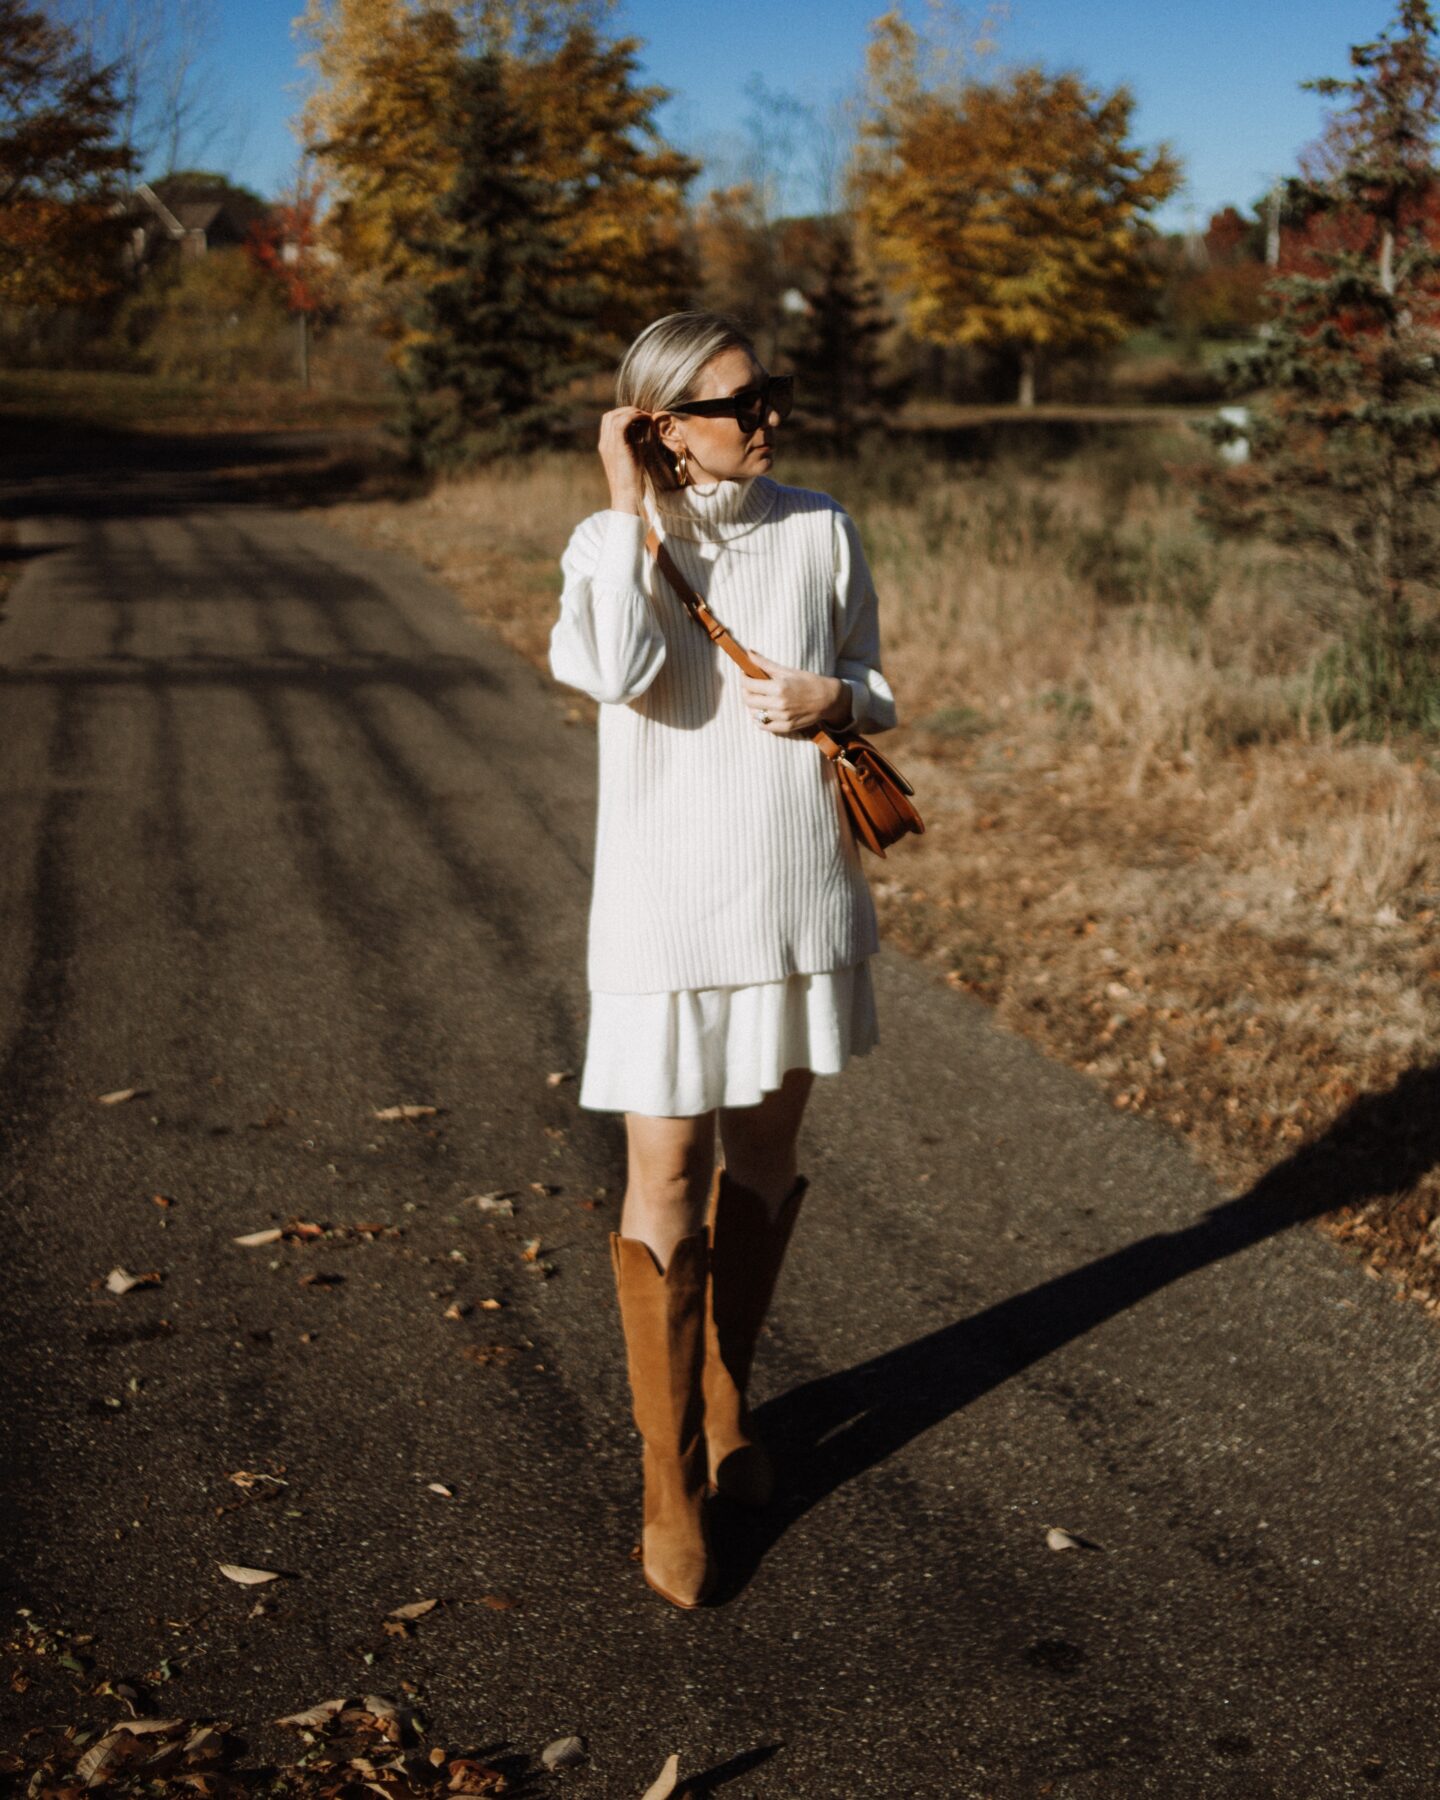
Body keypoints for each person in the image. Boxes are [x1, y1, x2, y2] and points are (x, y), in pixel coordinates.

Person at [548, 310, 898, 1609]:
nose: (766, 421)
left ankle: (729, 1401)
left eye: (771, 397)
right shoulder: (610, 544)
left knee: (763, 1159)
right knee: (664, 1172)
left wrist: (838, 701)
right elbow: (614, 667)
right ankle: (665, 1477)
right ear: (657, 427)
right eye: (734, 405)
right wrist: (630, 510)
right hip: (665, 914)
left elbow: (876, 680)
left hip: (797, 896)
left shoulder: (820, 525)